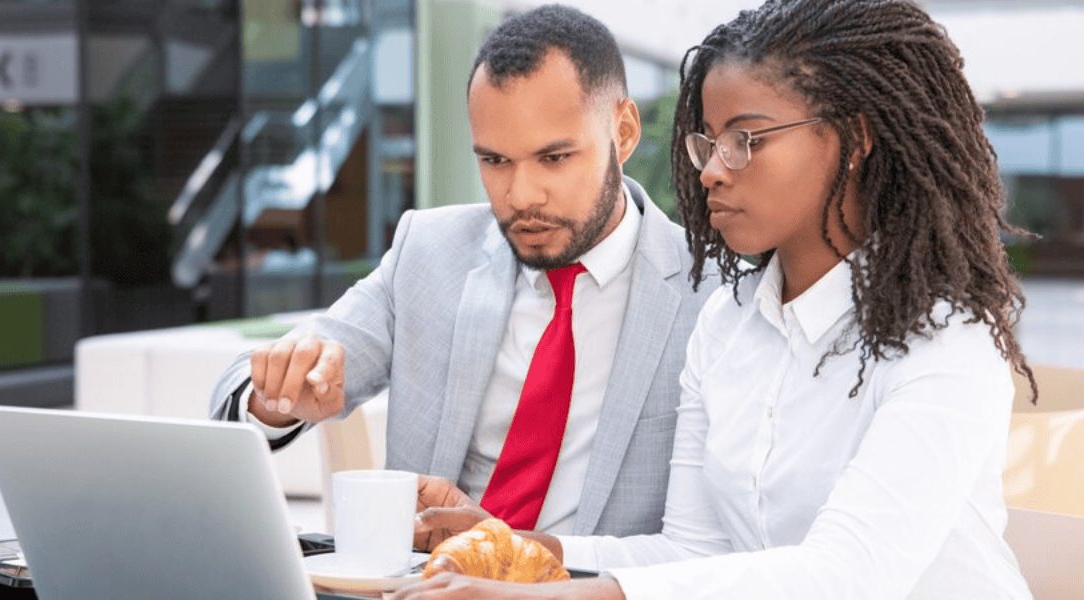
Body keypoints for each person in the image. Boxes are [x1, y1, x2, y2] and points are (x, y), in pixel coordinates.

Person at [396, 0, 1039, 598]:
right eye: (707, 141)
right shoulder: (726, 326)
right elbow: (691, 551)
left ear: (854, 138)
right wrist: (512, 545)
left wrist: (567, 594)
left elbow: (847, 573)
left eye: (746, 139)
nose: (711, 169)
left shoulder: (949, 340)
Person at [208, 4, 718, 547]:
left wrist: (518, 555)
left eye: (554, 158)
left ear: (623, 131)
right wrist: (279, 394)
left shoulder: (711, 294)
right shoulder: (429, 253)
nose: (521, 196)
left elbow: (719, 546)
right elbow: (235, 393)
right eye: (495, 162)